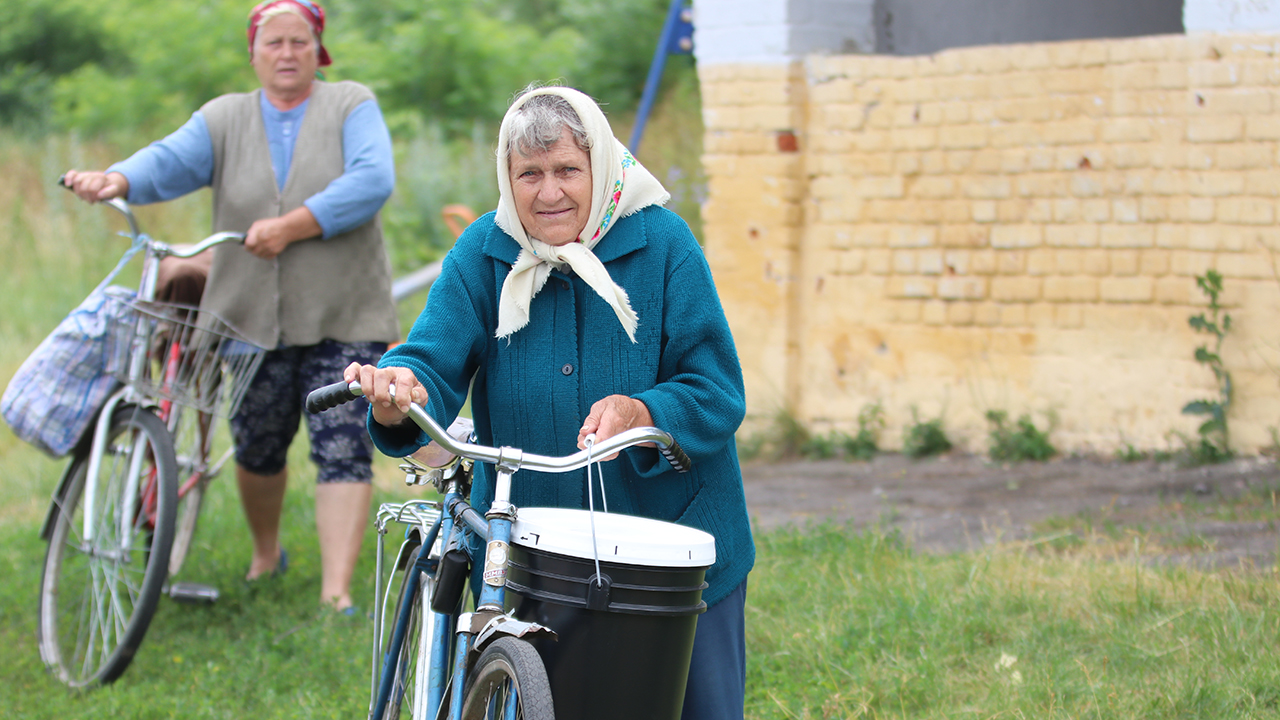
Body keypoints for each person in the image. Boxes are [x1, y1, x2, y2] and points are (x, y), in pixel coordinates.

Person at [346, 85, 755, 719]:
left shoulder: (664, 245)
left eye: (568, 170)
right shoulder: (485, 252)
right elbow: (431, 354)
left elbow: (716, 389)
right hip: (528, 550)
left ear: (602, 168)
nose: (549, 192)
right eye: (529, 174)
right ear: (507, 180)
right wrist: (400, 389)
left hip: (672, 548)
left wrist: (643, 413)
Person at [63, 0, 398, 613]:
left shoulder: (351, 103)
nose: (288, 54)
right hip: (248, 316)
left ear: (317, 50)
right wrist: (118, 179)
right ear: (254, 52)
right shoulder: (224, 118)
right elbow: (168, 160)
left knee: (343, 442)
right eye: (274, 43)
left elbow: (373, 179)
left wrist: (293, 225)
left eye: (300, 42)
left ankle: (336, 593)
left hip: (343, 312)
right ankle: (266, 553)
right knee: (258, 446)